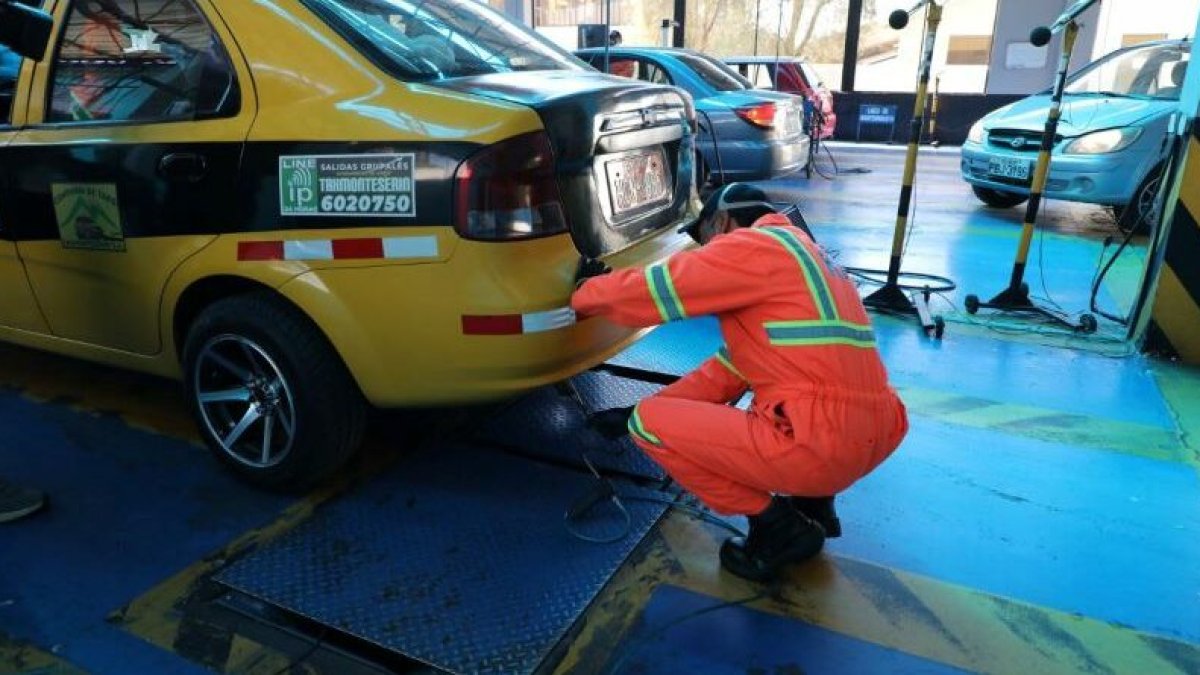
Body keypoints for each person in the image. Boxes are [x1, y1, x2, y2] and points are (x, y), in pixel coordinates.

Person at [572, 183, 908, 582]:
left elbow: (658, 290)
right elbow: (726, 375)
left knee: (649, 425)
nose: (702, 249)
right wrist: (628, 412)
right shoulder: (813, 259)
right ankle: (814, 505)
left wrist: (587, 292)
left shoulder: (752, 246)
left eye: (701, 237)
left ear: (723, 221)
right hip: (876, 434)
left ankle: (777, 527)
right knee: (653, 415)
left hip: (818, 443)